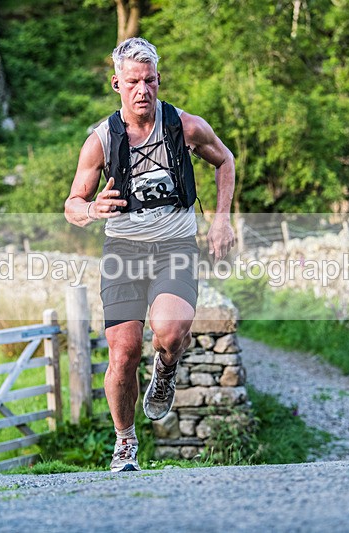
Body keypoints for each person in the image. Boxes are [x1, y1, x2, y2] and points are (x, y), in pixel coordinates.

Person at [64, 37, 235, 472]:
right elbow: (72, 204)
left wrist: (221, 221)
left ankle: (166, 368)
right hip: (123, 251)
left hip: (175, 245)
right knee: (123, 354)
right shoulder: (101, 140)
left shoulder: (185, 126)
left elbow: (225, 160)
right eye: (133, 82)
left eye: (150, 80)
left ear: (158, 80)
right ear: (116, 84)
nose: (143, 90)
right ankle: (125, 441)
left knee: (171, 332)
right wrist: (92, 209)